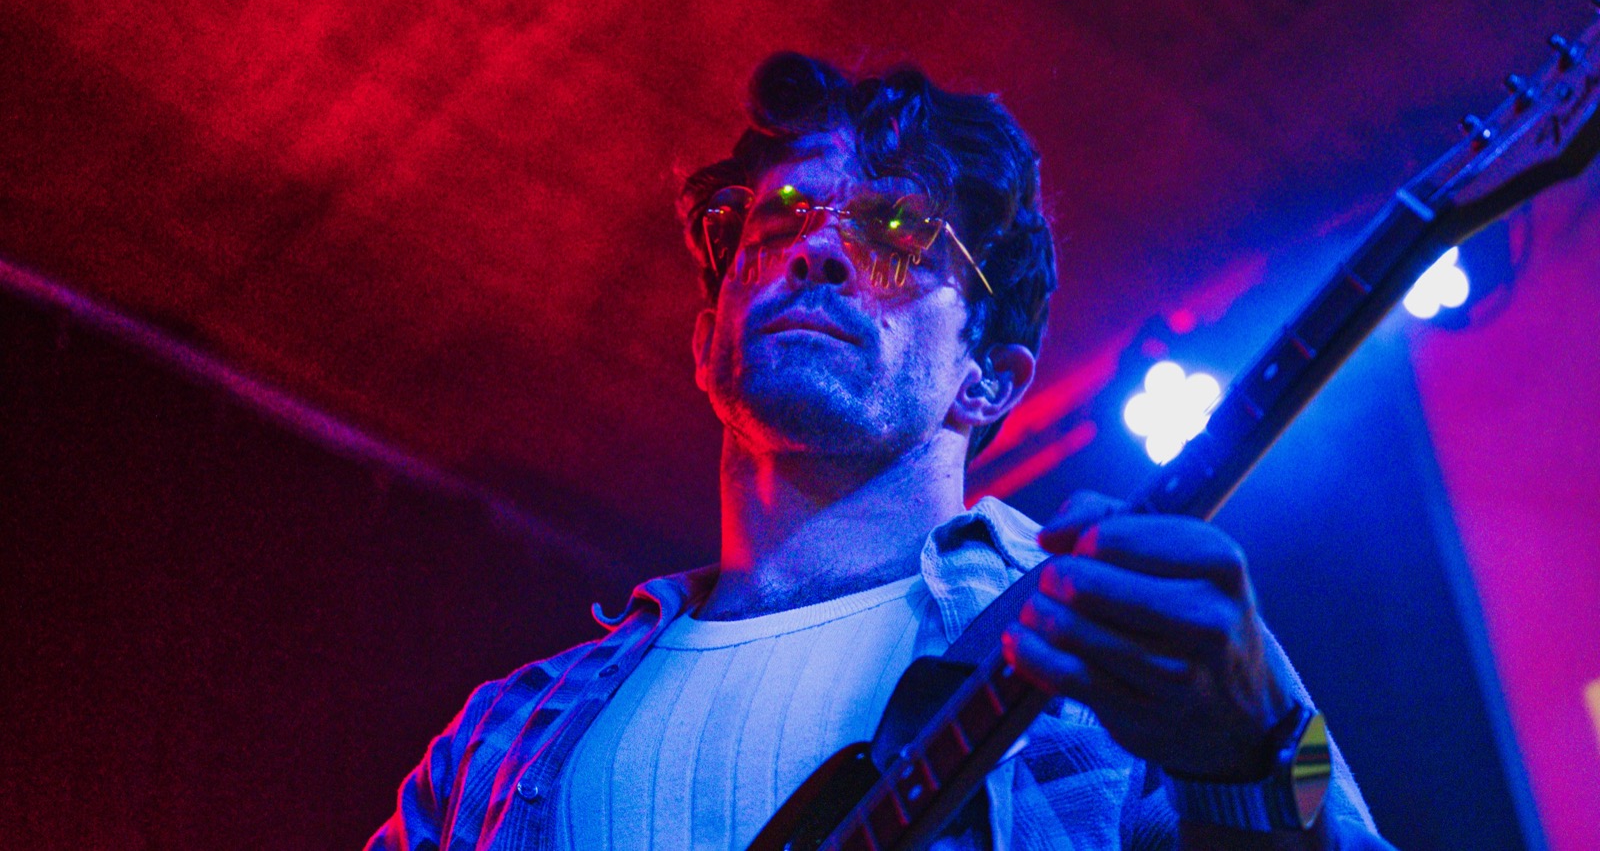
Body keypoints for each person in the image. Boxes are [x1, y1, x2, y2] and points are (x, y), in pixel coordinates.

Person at [368, 53, 1395, 849]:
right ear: (707, 339)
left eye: (899, 230)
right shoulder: (503, 732)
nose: (815, 246)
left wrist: (1262, 742)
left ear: (987, 377)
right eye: (777, 216)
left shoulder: (1108, 630)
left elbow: (1326, 807)